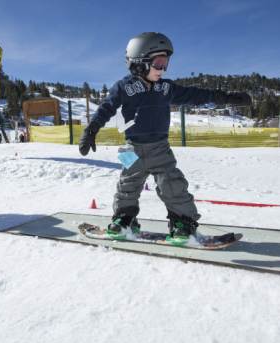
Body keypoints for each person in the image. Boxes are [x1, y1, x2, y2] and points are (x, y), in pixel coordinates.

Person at [79, 32, 251, 241]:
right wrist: (91, 130)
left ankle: (183, 224)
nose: (163, 69)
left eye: (165, 63)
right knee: (127, 186)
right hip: (130, 148)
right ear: (139, 62)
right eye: (159, 63)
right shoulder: (123, 87)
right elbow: (106, 108)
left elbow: (195, 95)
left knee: (172, 184)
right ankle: (124, 221)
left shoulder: (166, 88)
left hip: (159, 148)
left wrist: (227, 98)